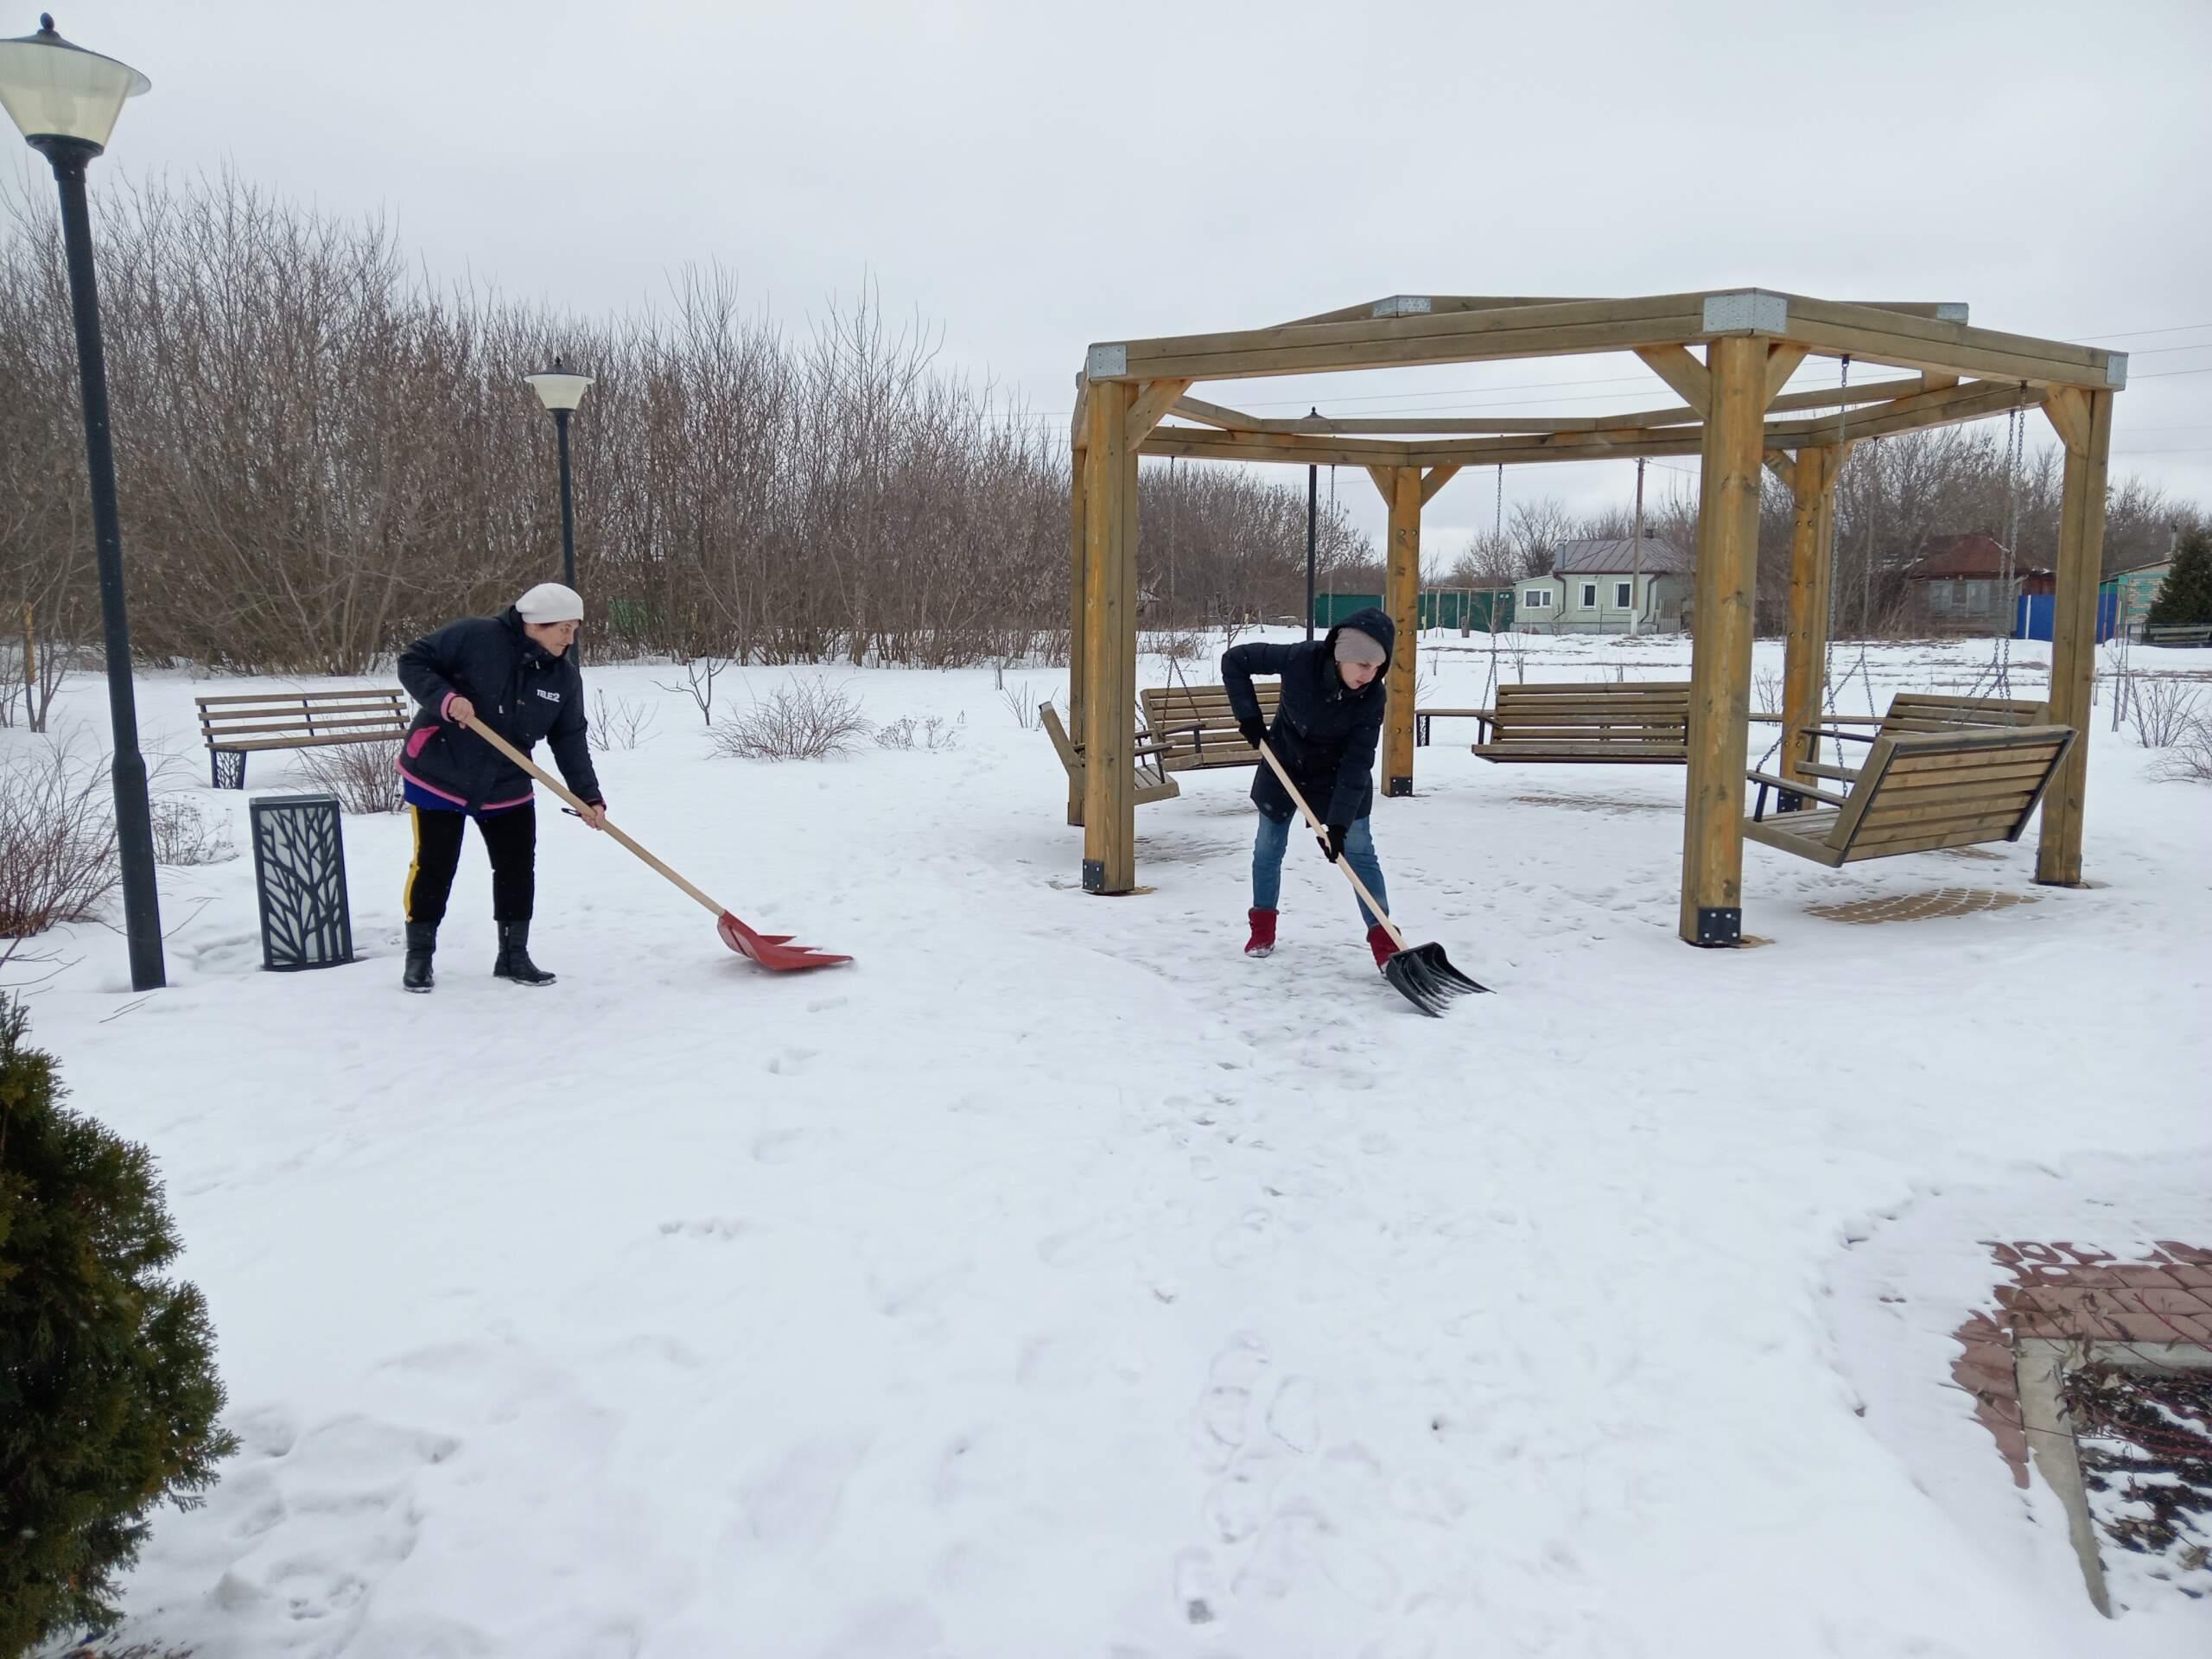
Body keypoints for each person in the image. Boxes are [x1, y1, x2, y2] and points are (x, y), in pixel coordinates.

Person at [393, 582, 607, 993]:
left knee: (515, 867)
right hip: (440, 771)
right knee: (435, 865)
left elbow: (569, 737)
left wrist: (588, 796)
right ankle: (419, 958)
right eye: (563, 628)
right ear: (535, 624)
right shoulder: (475, 637)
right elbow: (413, 661)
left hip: (507, 779)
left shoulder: (563, 676)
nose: (570, 638)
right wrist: (446, 698)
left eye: (574, 628)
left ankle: (513, 956)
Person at [1222, 607, 1398, 970]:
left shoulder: (1372, 698)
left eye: (1378, 667)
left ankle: (1385, 941)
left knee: (1360, 853)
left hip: (1337, 777)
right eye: (1363, 665)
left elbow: (1357, 761)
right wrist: (1249, 717)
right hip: (1283, 763)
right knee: (1268, 848)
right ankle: (1262, 927)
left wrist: (1338, 824)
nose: (1371, 675)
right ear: (1341, 655)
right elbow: (1235, 660)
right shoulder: (1300, 659)